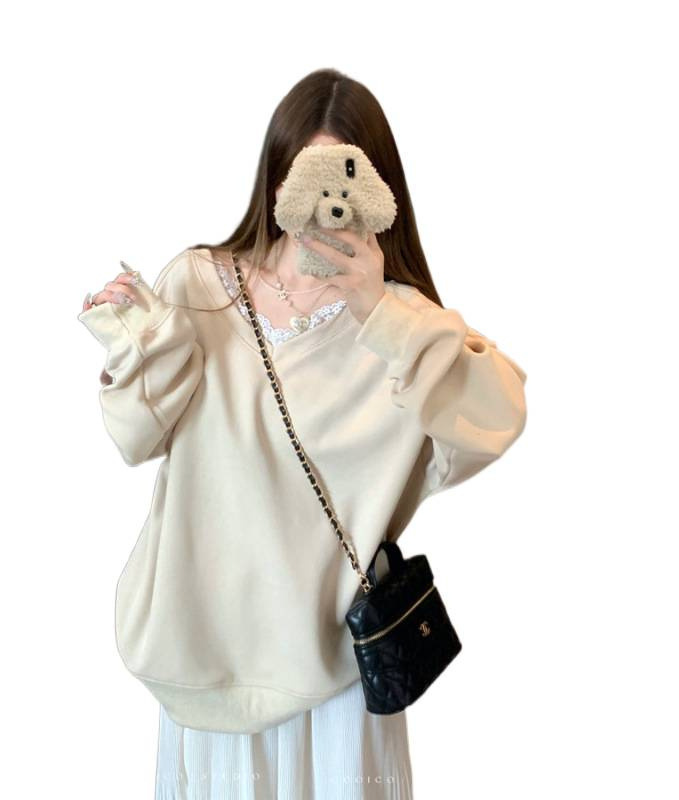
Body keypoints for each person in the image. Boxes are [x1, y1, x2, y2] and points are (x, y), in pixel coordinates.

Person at [77, 67, 527, 800]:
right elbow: (134, 438)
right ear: (275, 178)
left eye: (346, 178)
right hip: (204, 655)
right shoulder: (199, 285)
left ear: (380, 191)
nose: (327, 204)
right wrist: (134, 339)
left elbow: (496, 419)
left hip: (334, 677)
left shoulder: (403, 329)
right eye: (307, 176)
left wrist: (379, 309)